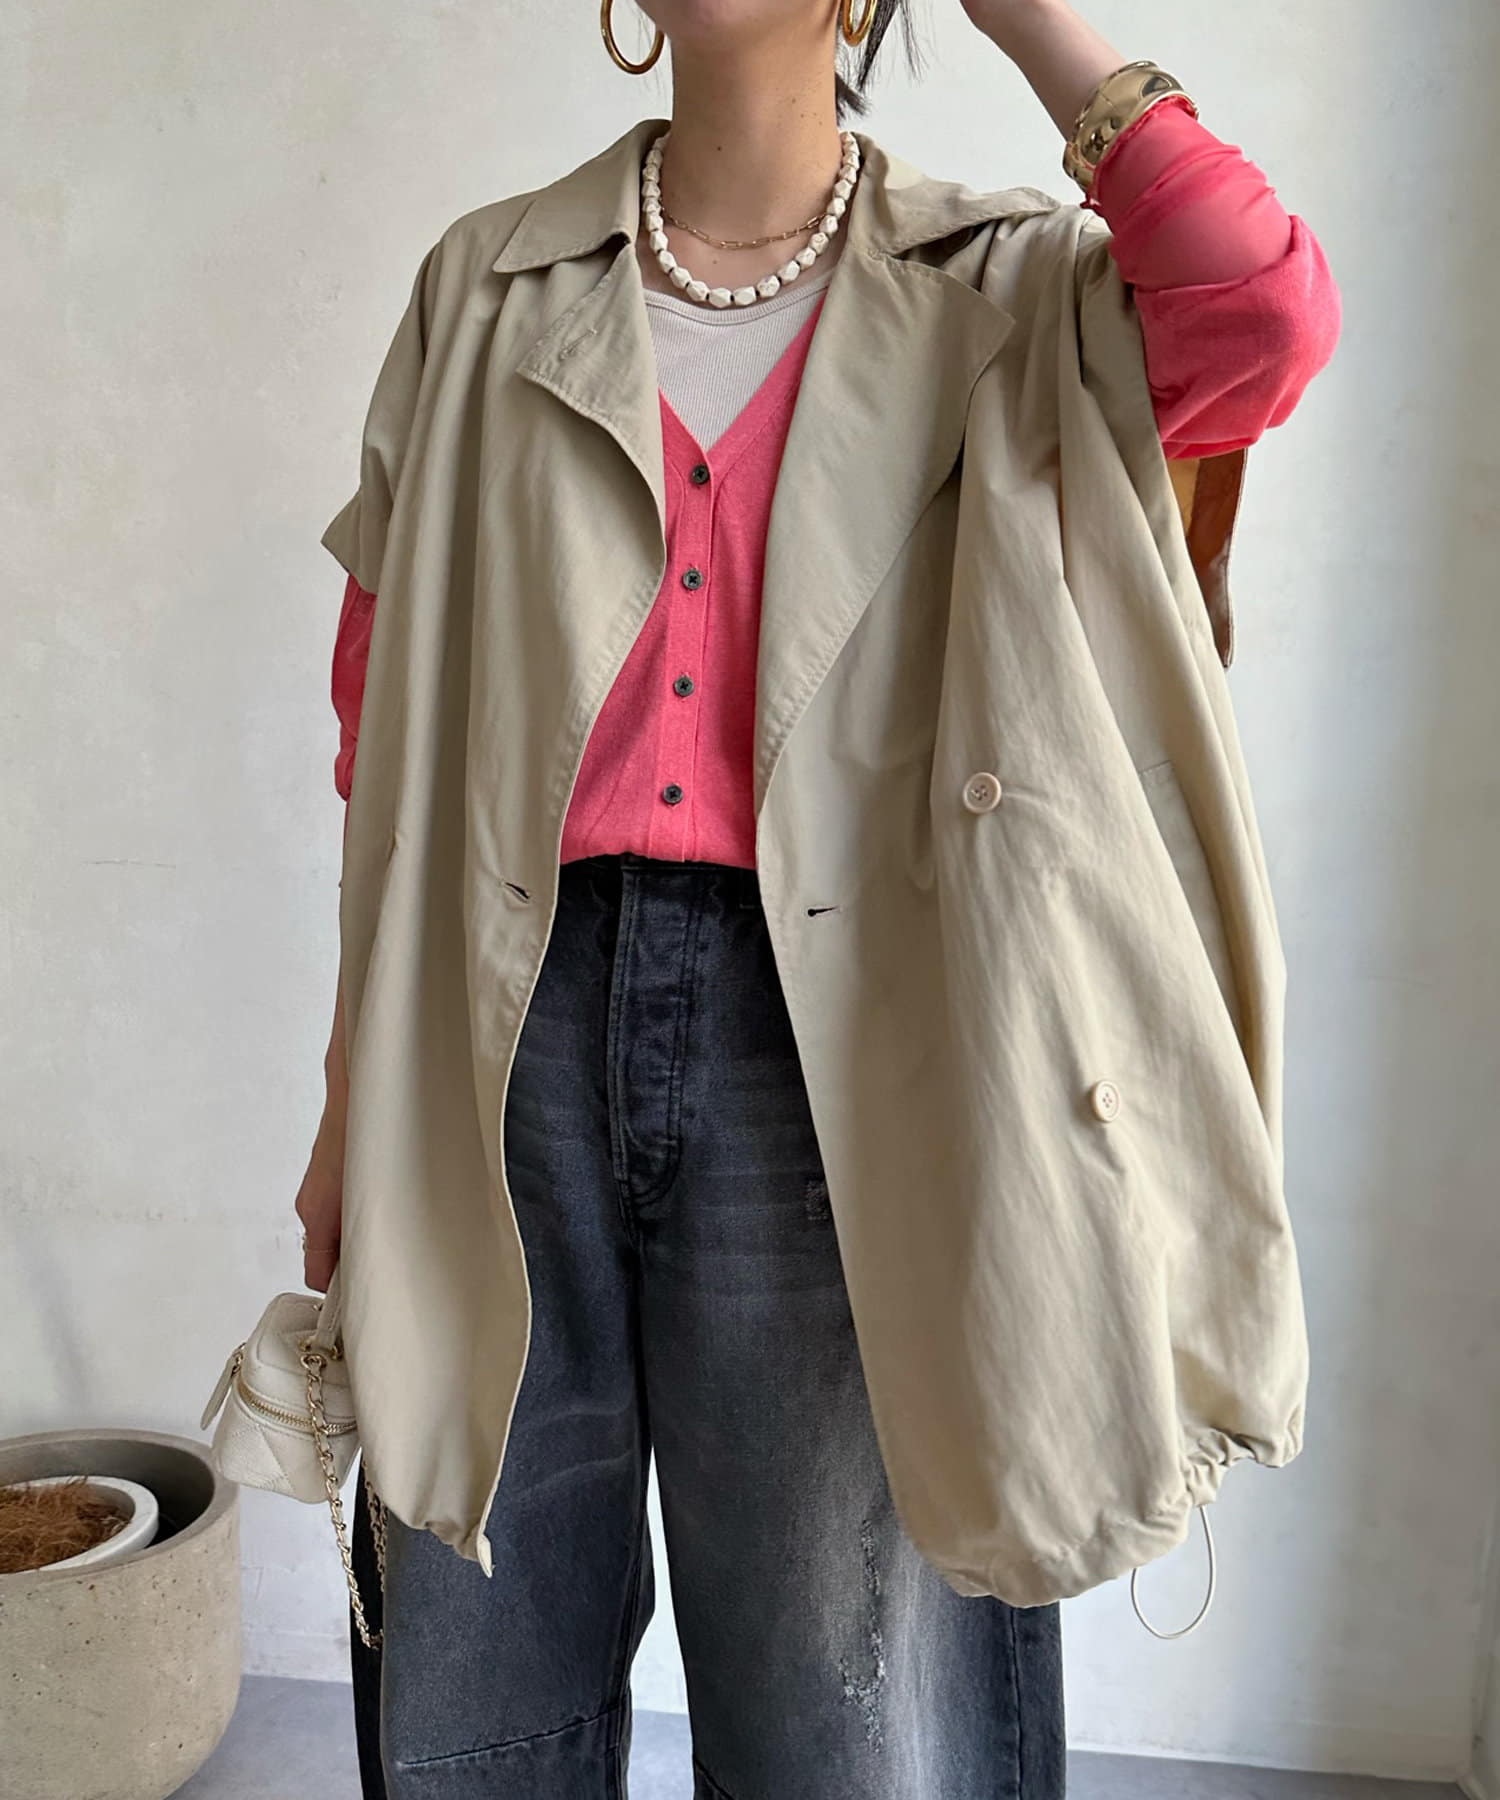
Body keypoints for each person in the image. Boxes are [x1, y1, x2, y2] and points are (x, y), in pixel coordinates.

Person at [296, 1, 1341, 1792]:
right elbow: (382, 731)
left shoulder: (1012, 289)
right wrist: (345, 1103)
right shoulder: (485, 287)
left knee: (845, 1703)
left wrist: (1025, 16)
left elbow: (1259, 310)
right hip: (504, 1026)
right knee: (476, 1652)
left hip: (851, 1040)